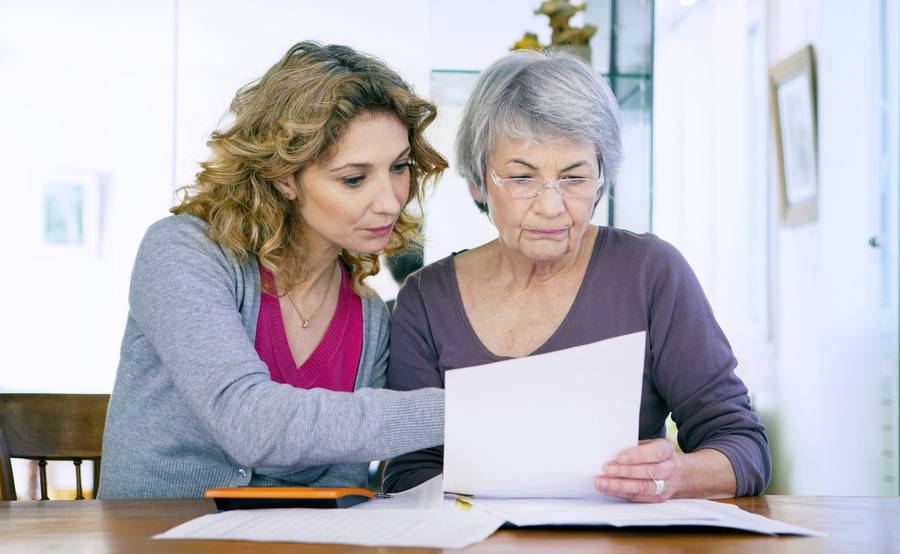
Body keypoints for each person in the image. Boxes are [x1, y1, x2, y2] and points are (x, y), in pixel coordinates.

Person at [384, 49, 771, 502]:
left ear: (602, 179)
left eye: (574, 178)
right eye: (522, 178)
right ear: (478, 182)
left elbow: (744, 447)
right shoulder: (426, 299)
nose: (551, 206)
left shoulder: (650, 272)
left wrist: (679, 473)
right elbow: (407, 472)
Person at [99, 41, 448, 499]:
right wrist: (463, 413)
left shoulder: (369, 318)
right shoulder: (183, 251)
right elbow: (249, 423)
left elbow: (342, 491)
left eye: (399, 168)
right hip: (155, 540)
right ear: (285, 176)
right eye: (354, 178)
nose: (390, 201)